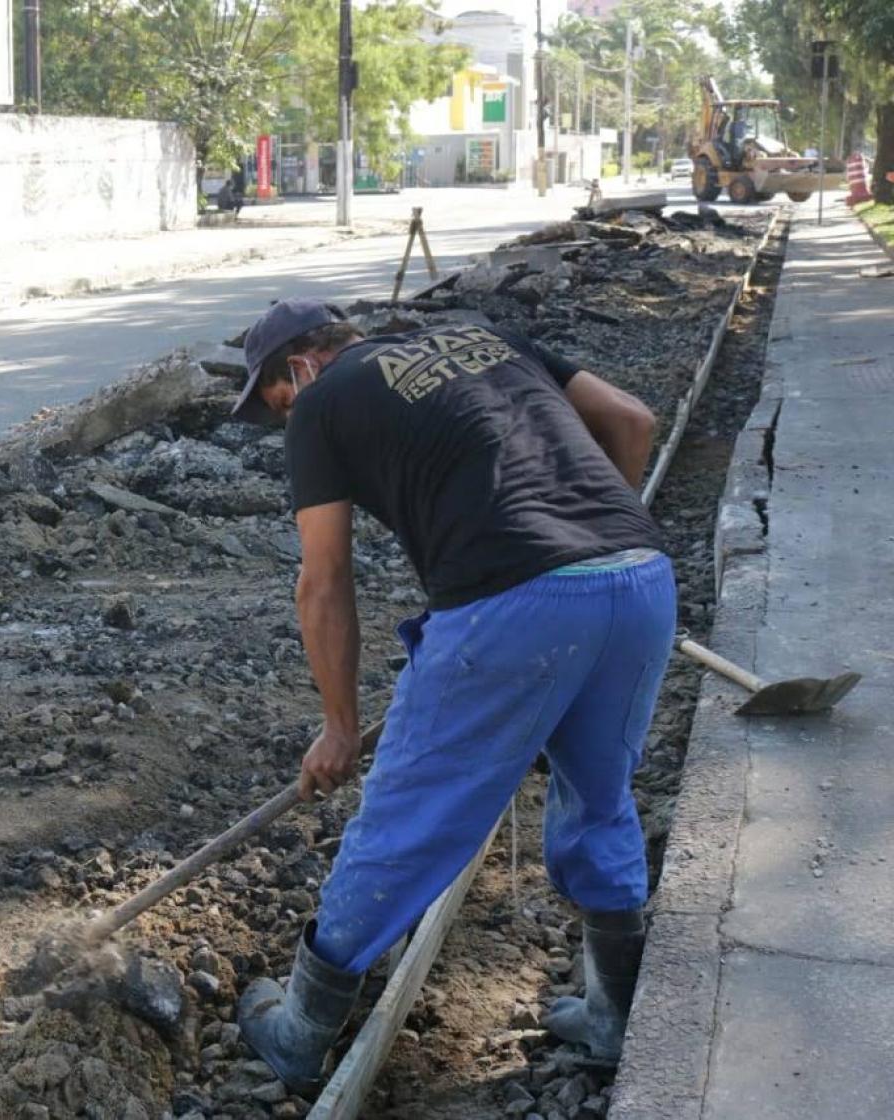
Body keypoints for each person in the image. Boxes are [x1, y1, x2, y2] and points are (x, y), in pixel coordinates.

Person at [229, 299, 676, 1093]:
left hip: (513, 605)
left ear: (297, 368)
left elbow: (324, 580)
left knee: (408, 814)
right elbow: (632, 421)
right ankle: (611, 1016)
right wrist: (596, 548)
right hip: (639, 577)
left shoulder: (322, 403)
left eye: (275, 400)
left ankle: (299, 1031)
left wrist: (340, 726)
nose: (285, 416)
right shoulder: (486, 335)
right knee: (599, 796)